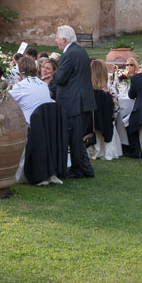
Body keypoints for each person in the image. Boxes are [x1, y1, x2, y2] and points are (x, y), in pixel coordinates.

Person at [49, 25, 94, 179]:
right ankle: (85, 168)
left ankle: (78, 170)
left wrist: (49, 80)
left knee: (74, 138)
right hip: (82, 100)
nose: (56, 40)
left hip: (73, 101)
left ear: (64, 39)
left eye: (57, 37)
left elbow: (61, 78)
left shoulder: (69, 54)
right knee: (77, 138)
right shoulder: (80, 51)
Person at [9, 56, 53, 123]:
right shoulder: (43, 84)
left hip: (30, 125)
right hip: (46, 123)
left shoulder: (20, 86)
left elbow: (6, 101)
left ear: (20, 71)